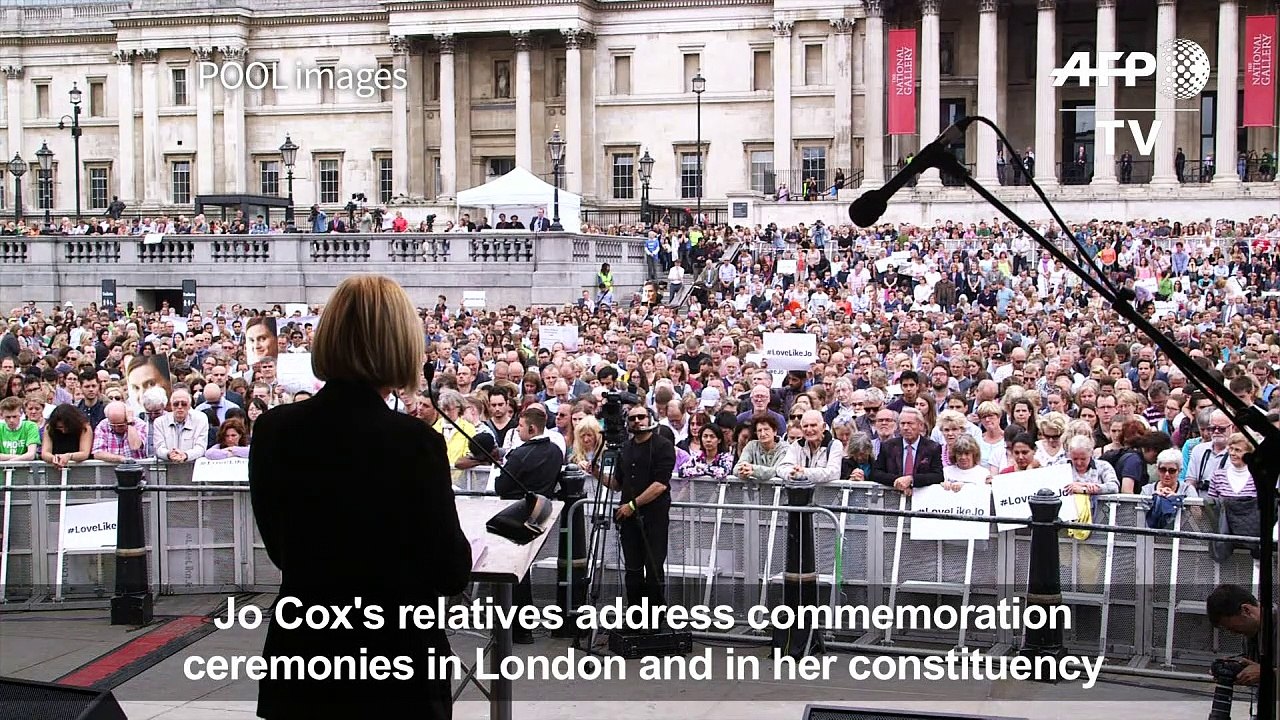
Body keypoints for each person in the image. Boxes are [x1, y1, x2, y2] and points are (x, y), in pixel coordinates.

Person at [249, 275, 471, 719]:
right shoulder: (414, 442)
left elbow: (280, 550)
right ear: (399, 344)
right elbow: (449, 570)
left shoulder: (274, 430)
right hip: (396, 658)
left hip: (305, 652)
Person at [495, 406, 562, 643]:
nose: (518, 430)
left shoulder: (521, 454)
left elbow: (500, 487)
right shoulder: (555, 451)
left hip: (516, 515)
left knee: (514, 575)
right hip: (540, 514)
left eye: (521, 426)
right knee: (523, 572)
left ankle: (517, 628)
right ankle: (523, 627)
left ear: (532, 428)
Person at [603, 404, 675, 608]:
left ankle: (654, 618)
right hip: (628, 520)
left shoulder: (662, 445)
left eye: (641, 417)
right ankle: (635, 616)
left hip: (654, 518)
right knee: (632, 571)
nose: (637, 421)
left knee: (653, 570)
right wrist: (595, 472)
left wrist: (632, 505)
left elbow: (660, 485)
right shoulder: (625, 447)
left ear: (650, 419)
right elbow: (617, 484)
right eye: (632, 418)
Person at [1205, 584, 1271, 688]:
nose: (1233, 633)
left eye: (1233, 628)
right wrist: (1234, 669)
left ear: (1246, 610)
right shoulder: (1251, 632)